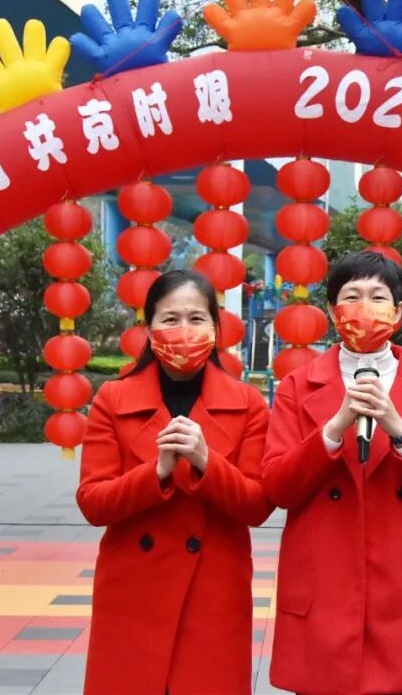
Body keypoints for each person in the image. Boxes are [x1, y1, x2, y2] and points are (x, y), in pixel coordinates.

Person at [263, 251, 402, 695]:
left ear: (398, 311)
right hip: (321, 592)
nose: (364, 308)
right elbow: (277, 486)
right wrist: (333, 430)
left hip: (397, 594)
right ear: (332, 309)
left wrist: (400, 431)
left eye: (378, 297)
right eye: (351, 296)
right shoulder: (298, 387)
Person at [76, 270, 273, 695]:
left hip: (213, 594)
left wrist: (206, 462)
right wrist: (156, 472)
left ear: (216, 328)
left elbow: (258, 504)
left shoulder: (248, 404)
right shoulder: (113, 399)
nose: (184, 330)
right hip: (132, 595)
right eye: (170, 319)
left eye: (196, 318)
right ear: (148, 330)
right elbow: (93, 502)